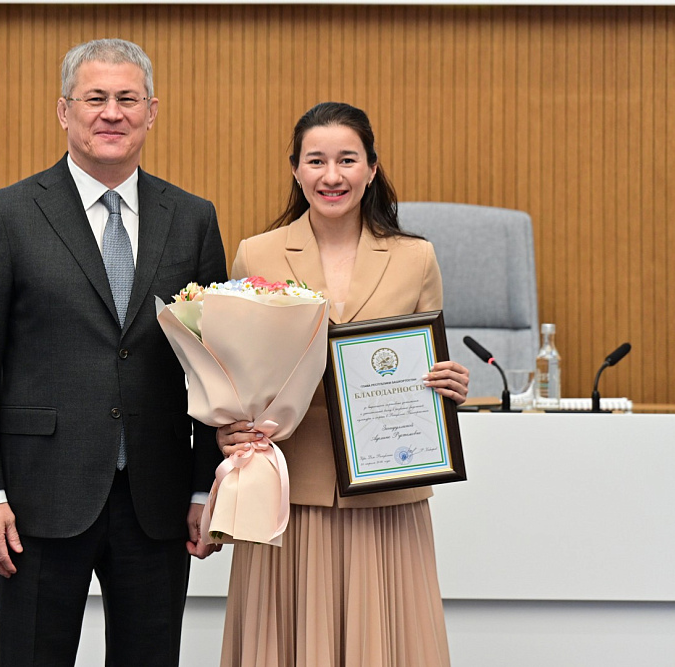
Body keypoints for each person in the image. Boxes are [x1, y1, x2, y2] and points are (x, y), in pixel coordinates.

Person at [0, 38, 227, 666]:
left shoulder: (192, 218)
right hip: (38, 499)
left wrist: (204, 488)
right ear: (63, 111)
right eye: (94, 98)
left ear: (152, 111)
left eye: (128, 99)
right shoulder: (7, 215)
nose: (112, 113)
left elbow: (213, 368)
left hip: (157, 500)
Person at [217, 102, 470, 667]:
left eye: (347, 160)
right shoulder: (257, 252)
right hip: (289, 491)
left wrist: (448, 382)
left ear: (372, 168)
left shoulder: (416, 257)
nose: (332, 176)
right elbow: (234, 370)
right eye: (316, 161)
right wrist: (227, 426)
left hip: (386, 493)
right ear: (295, 169)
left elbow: (427, 359)